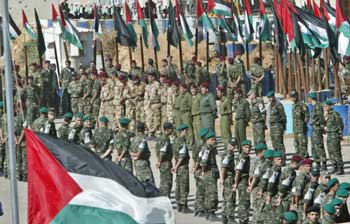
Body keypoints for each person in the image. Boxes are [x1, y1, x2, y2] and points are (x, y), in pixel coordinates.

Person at [200, 131, 220, 221]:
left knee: (208, 193)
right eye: (212, 139)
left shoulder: (210, 148)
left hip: (211, 172)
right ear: (207, 140)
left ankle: (208, 212)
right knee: (212, 193)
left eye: (214, 139)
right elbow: (203, 161)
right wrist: (203, 171)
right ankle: (211, 212)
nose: (214, 141)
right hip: (209, 172)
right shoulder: (207, 149)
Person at [172, 124, 191, 213]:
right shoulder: (182, 141)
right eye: (186, 131)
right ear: (183, 131)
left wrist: (175, 165)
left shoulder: (175, 140)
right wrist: (176, 166)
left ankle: (179, 204)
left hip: (178, 165)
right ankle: (184, 206)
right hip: (182, 166)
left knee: (178, 185)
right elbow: (182, 156)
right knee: (184, 186)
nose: (187, 132)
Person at [233, 140, 252, 224]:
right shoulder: (243, 157)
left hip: (245, 180)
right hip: (242, 181)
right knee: (244, 201)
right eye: (246, 147)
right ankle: (243, 220)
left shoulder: (246, 157)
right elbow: (238, 171)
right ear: (242, 148)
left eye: (249, 147)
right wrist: (236, 183)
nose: (248, 149)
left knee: (244, 201)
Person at [323, 99, 344, 175]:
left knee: (336, 152)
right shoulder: (327, 115)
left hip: (334, 135)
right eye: (324, 106)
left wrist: (340, 134)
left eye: (326, 106)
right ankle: (334, 166)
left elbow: (340, 124)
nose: (325, 107)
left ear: (330, 106)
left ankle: (340, 168)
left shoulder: (335, 114)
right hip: (329, 135)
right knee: (330, 151)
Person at [193, 128, 209, 217]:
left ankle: (198, 207)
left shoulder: (197, 144)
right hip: (201, 168)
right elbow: (200, 158)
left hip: (197, 168)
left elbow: (194, 157)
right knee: (201, 190)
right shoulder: (203, 145)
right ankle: (200, 209)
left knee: (199, 190)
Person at [220, 138, 237, 224]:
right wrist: (222, 179)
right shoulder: (228, 155)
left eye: (234, 145)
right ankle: (230, 217)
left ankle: (224, 216)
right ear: (228, 144)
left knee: (226, 198)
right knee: (230, 198)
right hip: (229, 178)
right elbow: (224, 167)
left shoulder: (230, 153)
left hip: (229, 177)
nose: (233, 147)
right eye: (231, 145)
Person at [308, 92, 326, 170]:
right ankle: (317, 162)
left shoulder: (317, 106)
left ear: (310, 98)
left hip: (317, 129)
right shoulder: (314, 106)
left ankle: (323, 163)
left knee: (319, 146)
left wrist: (322, 127)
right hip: (314, 128)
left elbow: (321, 118)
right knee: (314, 147)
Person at [155, 122, 174, 197]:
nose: (172, 130)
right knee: (167, 183)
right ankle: (166, 199)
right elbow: (162, 152)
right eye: (171, 129)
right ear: (168, 130)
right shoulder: (165, 139)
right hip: (165, 163)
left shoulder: (161, 138)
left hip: (163, 162)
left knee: (163, 181)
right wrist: (159, 161)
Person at [291, 158, 313, 222]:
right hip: (301, 204)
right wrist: (295, 204)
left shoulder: (307, 176)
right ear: (302, 167)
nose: (309, 168)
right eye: (307, 166)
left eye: (310, 166)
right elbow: (297, 194)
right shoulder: (301, 178)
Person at [267, 91, 286, 156]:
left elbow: (283, 116)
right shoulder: (270, 106)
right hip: (272, 127)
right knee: (274, 143)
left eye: (271, 97)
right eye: (268, 98)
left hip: (278, 126)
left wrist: (283, 127)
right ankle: (277, 158)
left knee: (279, 144)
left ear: (273, 97)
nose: (269, 99)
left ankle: (282, 159)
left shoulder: (278, 105)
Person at [291, 90, 309, 157]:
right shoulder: (293, 105)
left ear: (297, 96)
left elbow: (307, 116)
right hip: (295, 129)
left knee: (303, 144)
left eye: (293, 96)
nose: (292, 98)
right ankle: (299, 158)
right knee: (296, 144)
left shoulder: (302, 105)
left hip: (301, 129)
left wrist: (304, 124)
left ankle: (304, 158)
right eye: (291, 97)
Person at [144, 71, 161, 138]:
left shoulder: (157, 84)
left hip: (155, 104)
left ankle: (157, 133)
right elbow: (146, 96)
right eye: (148, 77)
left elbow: (160, 94)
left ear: (153, 77)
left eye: (150, 77)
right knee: (149, 119)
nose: (148, 78)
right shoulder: (148, 86)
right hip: (149, 105)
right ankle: (151, 132)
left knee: (156, 119)